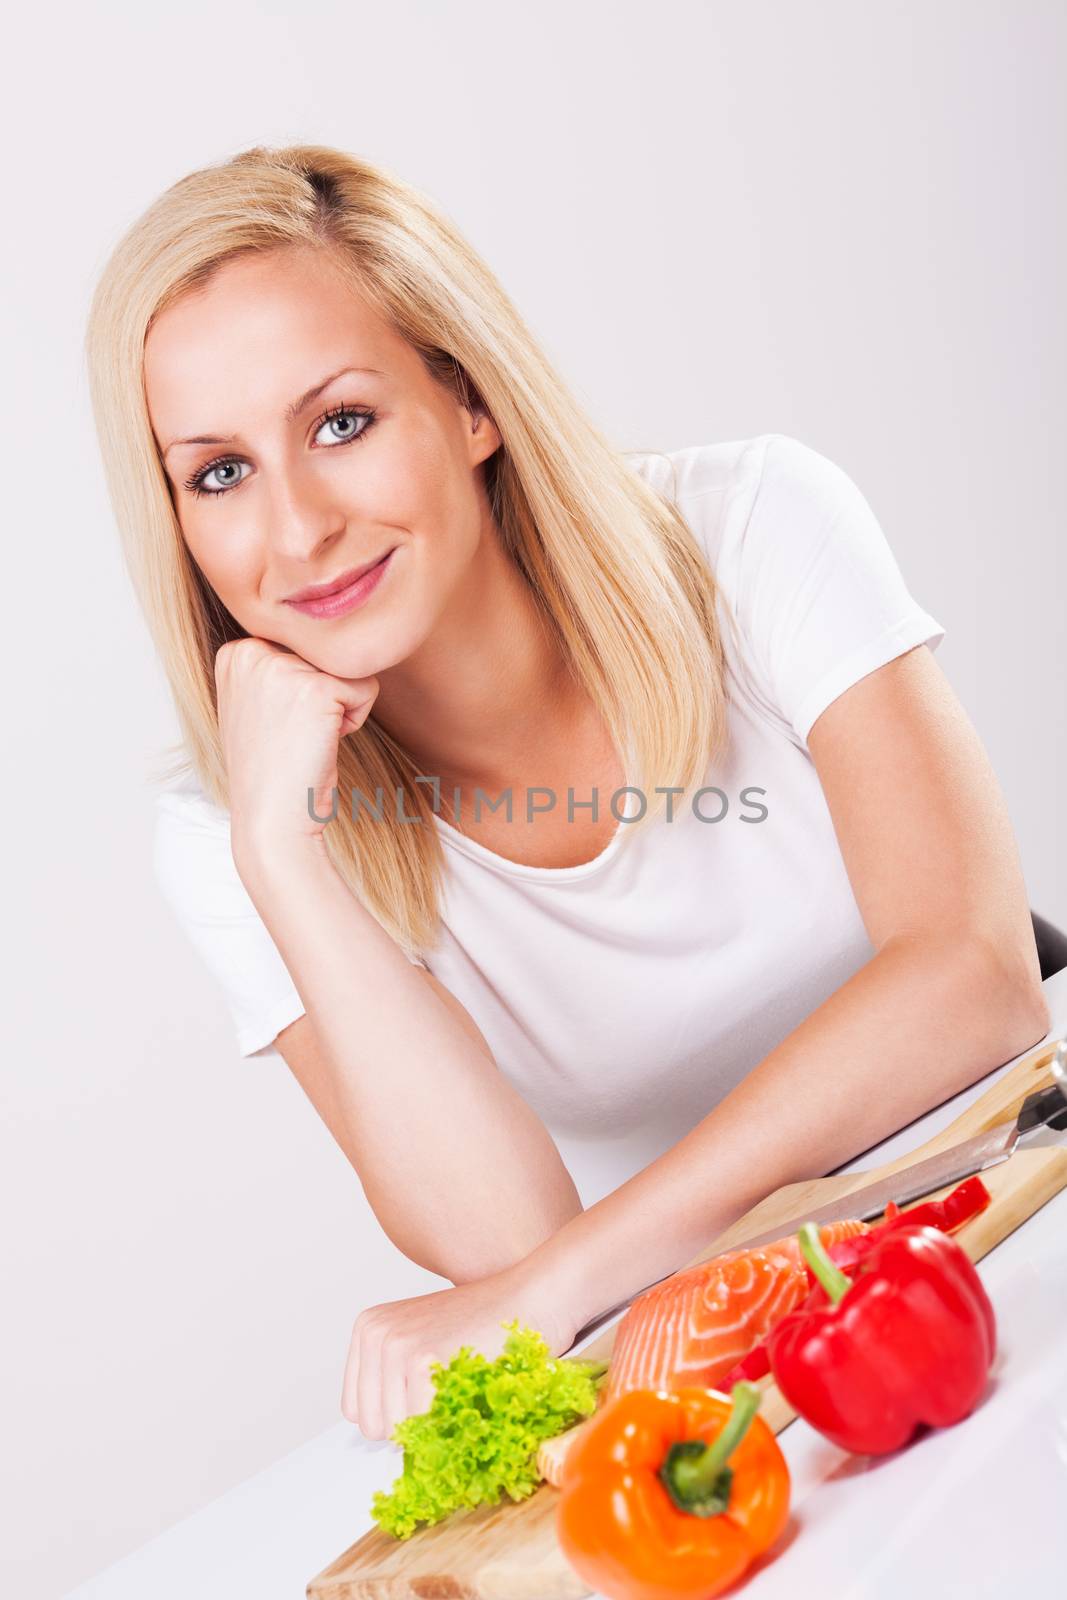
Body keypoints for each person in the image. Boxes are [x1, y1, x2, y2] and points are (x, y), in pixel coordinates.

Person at [85, 142, 1049, 1443]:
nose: (296, 526)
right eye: (218, 472)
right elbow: (503, 1237)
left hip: (1023, 1171)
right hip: (759, 1339)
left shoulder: (752, 525)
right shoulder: (230, 835)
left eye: (341, 423)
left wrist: (561, 1285)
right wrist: (285, 857)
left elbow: (971, 976)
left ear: (469, 402)